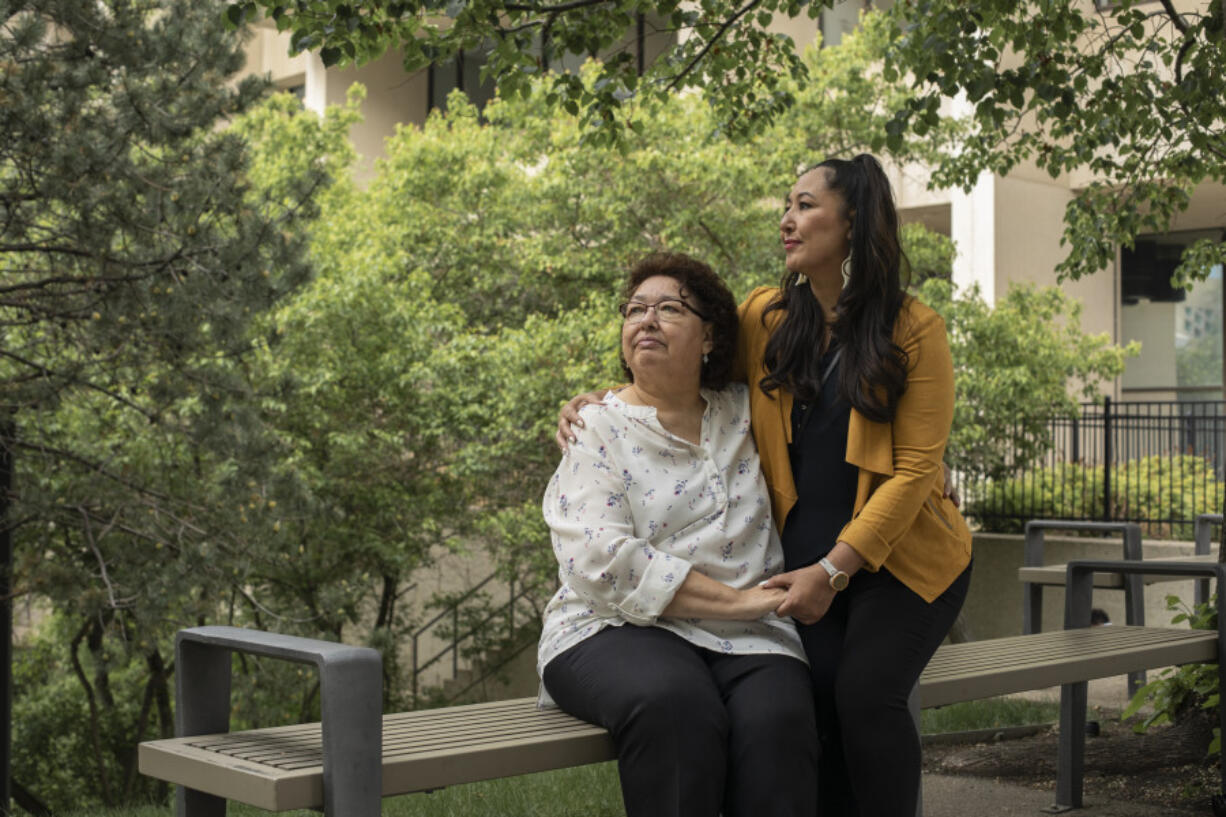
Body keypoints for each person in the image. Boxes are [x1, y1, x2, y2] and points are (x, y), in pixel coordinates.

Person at [558, 155, 973, 817]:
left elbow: (914, 469)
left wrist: (835, 570)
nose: (787, 218)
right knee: (810, 697)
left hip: (901, 559)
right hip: (805, 564)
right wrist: (607, 398)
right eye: (787, 204)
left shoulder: (914, 328)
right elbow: (688, 371)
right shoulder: (766, 316)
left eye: (805, 205)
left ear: (854, 220)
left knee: (864, 694)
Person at [537, 252, 819, 817]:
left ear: (711, 336)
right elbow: (602, 560)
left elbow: (846, 439)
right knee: (675, 706)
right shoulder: (597, 427)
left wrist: (928, 468)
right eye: (635, 309)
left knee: (779, 719)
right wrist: (738, 601)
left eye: (669, 309)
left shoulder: (747, 411)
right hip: (611, 626)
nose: (646, 320)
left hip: (750, 634)